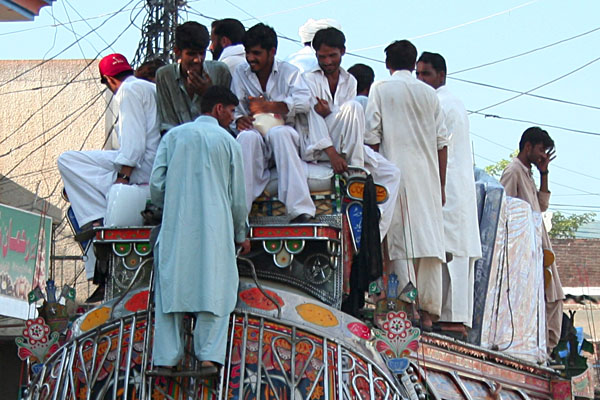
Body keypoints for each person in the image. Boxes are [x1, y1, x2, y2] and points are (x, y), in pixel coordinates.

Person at [149, 85, 250, 375]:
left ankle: (165, 360)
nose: (232, 118)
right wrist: (241, 235)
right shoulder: (228, 142)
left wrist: (173, 200)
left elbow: (157, 186)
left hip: (175, 227)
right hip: (216, 230)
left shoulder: (174, 137)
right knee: (216, 289)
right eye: (231, 111)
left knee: (170, 290)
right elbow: (237, 197)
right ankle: (208, 358)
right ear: (218, 109)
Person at [365, 40, 448, 330]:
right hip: (427, 178)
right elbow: (442, 144)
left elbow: (371, 137)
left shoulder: (380, 89)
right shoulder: (429, 94)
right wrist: (442, 185)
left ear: (387, 64)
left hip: (393, 176)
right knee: (429, 243)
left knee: (398, 242)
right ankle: (427, 312)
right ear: (414, 65)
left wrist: (372, 179)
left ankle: (405, 307)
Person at [57, 53, 160, 281]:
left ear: (109, 80)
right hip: (153, 164)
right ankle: (97, 212)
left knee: (66, 160)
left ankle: (97, 216)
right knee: (75, 163)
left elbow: (134, 146)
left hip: (141, 167)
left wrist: (122, 178)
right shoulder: (148, 88)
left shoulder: (127, 91)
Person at [299, 27, 400, 239]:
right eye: (322, 56)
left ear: (343, 52)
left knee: (392, 173)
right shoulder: (308, 80)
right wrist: (332, 153)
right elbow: (313, 118)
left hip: (344, 143)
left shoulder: (350, 81)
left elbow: (345, 120)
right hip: (319, 147)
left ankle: (373, 231)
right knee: (353, 108)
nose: (327, 61)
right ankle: (355, 174)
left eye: (332, 56)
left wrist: (331, 112)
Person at [416, 52, 482, 338]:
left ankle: (449, 318)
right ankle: (453, 316)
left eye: (426, 74)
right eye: (417, 74)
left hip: (447, 190)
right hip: (456, 190)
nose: (421, 80)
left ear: (441, 75)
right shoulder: (453, 102)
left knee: (446, 252)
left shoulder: (440, 103)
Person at [232, 23, 315, 223]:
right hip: (255, 136)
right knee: (246, 137)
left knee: (280, 133)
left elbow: (304, 101)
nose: (251, 58)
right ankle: (239, 214)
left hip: (284, 136)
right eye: (248, 53)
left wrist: (269, 107)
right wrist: (238, 120)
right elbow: (234, 110)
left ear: (272, 52)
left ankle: (300, 210)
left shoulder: (290, 72)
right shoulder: (240, 73)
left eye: (256, 53)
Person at [499, 127, 564, 355]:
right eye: (540, 150)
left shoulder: (527, 173)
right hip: (525, 250)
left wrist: (544, 173)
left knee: (553, 297)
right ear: (528, 146)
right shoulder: (513, 171)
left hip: (540, 246)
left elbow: (541, 205)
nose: (542, 155)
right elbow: (502, 211)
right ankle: (539, 352)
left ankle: (544, 351)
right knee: (545, 299)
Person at [155, 21, 231, 133]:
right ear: (177, 52)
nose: (197, 60)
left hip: (214, 139)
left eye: (202, 53)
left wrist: (209, 94)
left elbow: (227, 120)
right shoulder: (165, 75)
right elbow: (167, 123)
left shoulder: (220, 71)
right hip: (178, 142)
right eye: (191, 54)